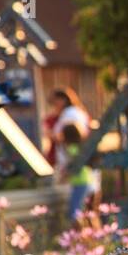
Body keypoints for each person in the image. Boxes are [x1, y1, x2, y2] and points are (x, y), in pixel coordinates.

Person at [45, 88, 96, 223]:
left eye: (55, 101)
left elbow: (73, 165)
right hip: (85, 180)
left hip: (81, 181)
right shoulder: (76, 113)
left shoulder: (71, 115)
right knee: (87, 212)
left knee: (76, 213)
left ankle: (79, 237)